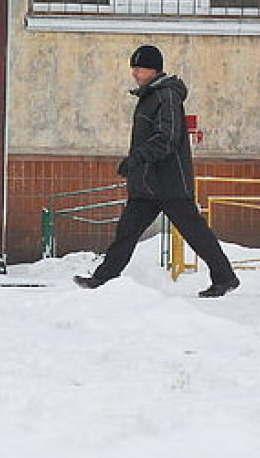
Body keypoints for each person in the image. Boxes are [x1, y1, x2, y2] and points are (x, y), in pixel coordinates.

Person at [75, 45, 239, 298]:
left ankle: (225, 277)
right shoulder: (149, 96)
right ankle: (102, 278)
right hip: (147, 185)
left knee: (196, 234)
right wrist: (137, 165)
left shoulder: (167, 96)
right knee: (126, 232)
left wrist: (136, 159)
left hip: (170, 183)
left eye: (139, 68)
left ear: (153, 69)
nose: (134, 73)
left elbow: (168, 137)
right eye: (134, 68)